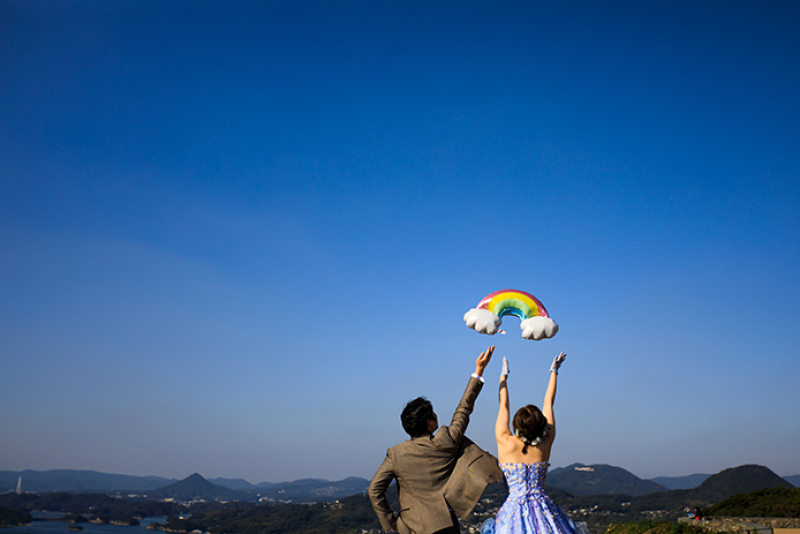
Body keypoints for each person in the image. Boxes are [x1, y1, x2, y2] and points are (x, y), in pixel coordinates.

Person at [369, 346, 504, 534]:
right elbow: (463, 410)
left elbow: (374, 490)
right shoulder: (446, 441)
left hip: (410, 527)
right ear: (429, 421)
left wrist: (392, 522)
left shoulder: (395, 454)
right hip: (446, 525)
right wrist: (479, 371)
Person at [486, 352, 577, 534]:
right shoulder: (546, 441)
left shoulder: (504, 440)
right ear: (540, 425)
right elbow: (548, 404)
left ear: (517, 425)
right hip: (544, 512)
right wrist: (554, 371)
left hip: (512, 514)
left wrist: (503, 376)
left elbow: (503, 405)